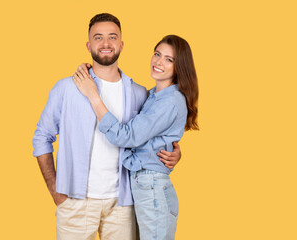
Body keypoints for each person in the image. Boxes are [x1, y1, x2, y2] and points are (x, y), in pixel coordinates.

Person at [32, 13, 182, 240]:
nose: (105, 44)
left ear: (121, 44)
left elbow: (152, 130)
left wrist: (175, 151)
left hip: (122, 205)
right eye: (98, 37)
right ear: (88, 44)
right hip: (75, 202)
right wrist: (55, 190)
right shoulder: (66, 88)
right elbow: (41, 137)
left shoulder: (139, 93)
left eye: (112, 37)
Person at [73, 34, 199, 240]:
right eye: (157, 54)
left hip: (152, 187)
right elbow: (154, 137)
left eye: (169, 59)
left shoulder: (169, 101)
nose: (159, 61)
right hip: (145, 186)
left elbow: (127, 136)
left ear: (180, 67)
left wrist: (93, 96)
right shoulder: (154, 97)